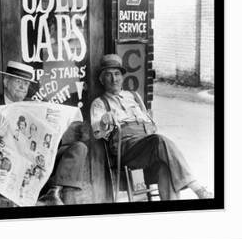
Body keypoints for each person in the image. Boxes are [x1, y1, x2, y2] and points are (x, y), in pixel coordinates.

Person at [90, 54, 213, 201]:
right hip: (127, 148)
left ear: (122, 77)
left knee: (165, 167)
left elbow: (151, 123)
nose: (114, 79)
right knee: (159, 141)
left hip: (146, 143)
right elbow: (97, 131)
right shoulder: (99, 103)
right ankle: (197, 187)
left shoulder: (134, 96)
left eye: (117, 74)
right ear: (101, 80)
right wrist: (104, 120)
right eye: (108, 75)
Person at [0, 60, 88, 208]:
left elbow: (50, 144)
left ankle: (54, 191)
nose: (22, 87)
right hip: (7, 166)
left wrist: (55, 130)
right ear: (6, 82)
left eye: (26, 83)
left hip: (36, 162)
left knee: (79, 148)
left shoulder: (35, 106)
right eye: (18, 81)